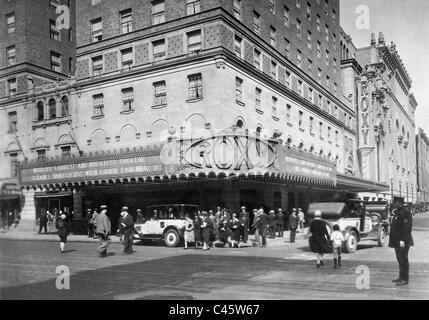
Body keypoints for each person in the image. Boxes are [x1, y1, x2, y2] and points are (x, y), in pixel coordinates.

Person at [389, 204, 414, 286]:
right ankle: (401, 277)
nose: (393, 206)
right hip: (397, 241)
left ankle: (405, 279)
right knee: (400, 260)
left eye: (395, 203)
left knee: (404, 260)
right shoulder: (397, 213)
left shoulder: (406, 213)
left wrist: (402, 240)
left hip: (403, 241)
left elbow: (407, 228)